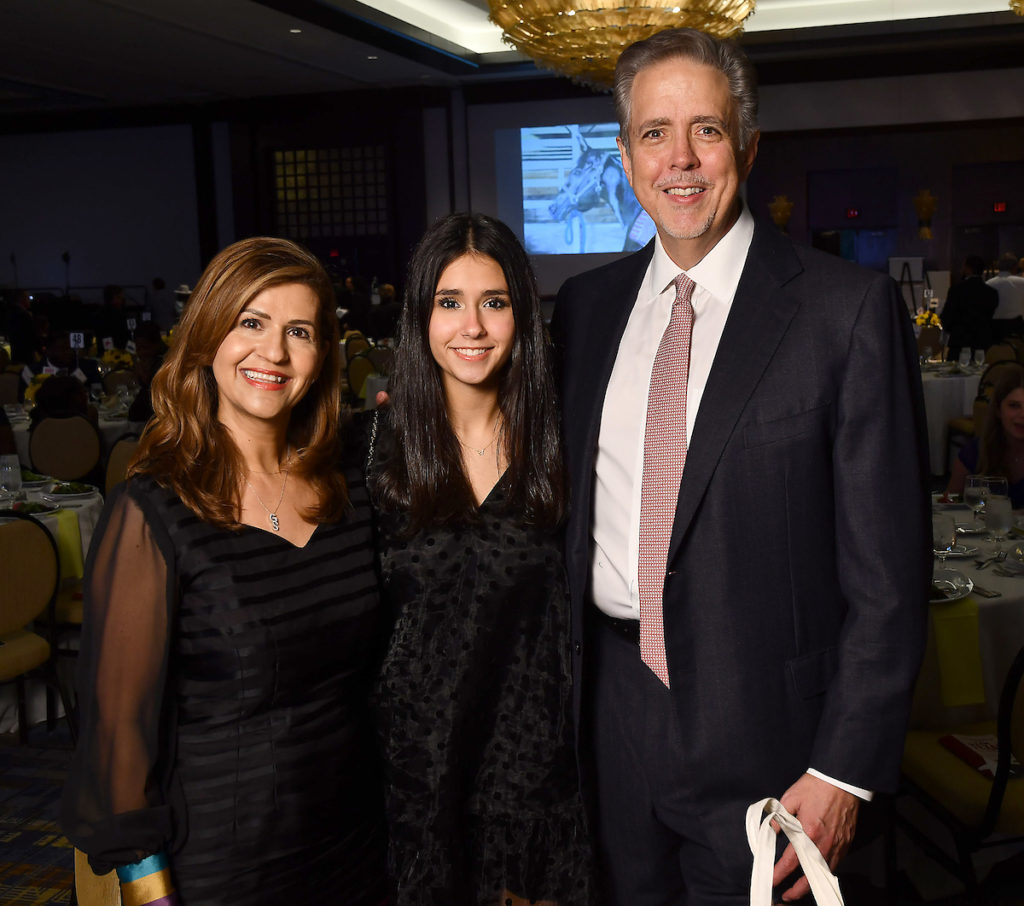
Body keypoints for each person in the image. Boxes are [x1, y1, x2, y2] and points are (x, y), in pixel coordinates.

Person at [551, 28, 931, 905]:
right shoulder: (584, 310)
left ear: (749, 147)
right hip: (610, 720)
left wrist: (843, 768)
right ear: (625, 157)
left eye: (707, 131)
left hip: (774, 739)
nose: (680, 159)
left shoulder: (845, 311)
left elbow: (890, 578)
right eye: (654, 133)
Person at [62, 237, 388, 905]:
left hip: (360, 848)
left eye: (299, 331)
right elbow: (118, 735)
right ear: (208, 336)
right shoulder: (152, 512)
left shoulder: (349, 490)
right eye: (251, 322)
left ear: (322, 354)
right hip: (224, 867)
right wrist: (150, 894)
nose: (274, 352)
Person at [369, 212, 593, 905]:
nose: (472, 326)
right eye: (449, 302)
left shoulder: (563, 442)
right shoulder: (374, 448)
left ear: (521, 314)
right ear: (421, 316)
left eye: (493, 302)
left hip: (532, 776)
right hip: (411, 772)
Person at [946, 365, 1024, 507]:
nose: (1022, 414)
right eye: (1014, 405)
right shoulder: (976, 451)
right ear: (998, 410)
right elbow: (948, 504)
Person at [941, 255, 998, 360]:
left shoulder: (957, 290)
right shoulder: (991, 292)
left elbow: (947, 316)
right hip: (982, 341)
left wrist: (951, 329)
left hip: (959, 340)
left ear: (968, 268)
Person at [987, 252, 1024, 342]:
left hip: (993, 330)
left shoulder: (988, 284)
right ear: (1015, 266)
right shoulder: (1022, 282)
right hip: (1018, 329)